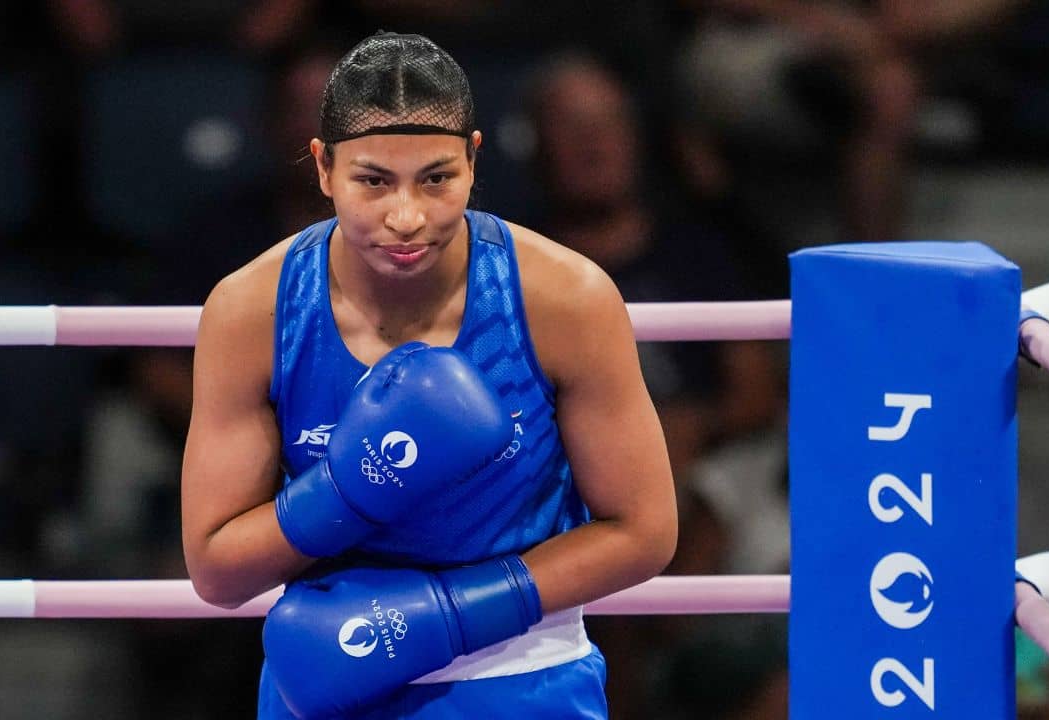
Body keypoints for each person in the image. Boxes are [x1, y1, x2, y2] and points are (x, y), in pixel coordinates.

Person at [181, 31, 677, 718]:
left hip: (522, 674)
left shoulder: (565, 299)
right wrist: (350, 490)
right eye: (373, 181)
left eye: (436, 178)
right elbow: (216, 569)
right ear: (323, 168)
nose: (407, 217)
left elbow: (645, 530)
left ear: (473, 160)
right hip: (333, 661)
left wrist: (451, 616)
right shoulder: (254, 311)